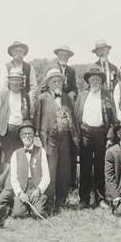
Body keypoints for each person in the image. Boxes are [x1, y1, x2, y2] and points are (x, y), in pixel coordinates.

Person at [33, 69, 80, 211]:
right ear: (48, 84)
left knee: (64, 170)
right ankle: (48, 202)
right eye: (54, 81)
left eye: (59, 81)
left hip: (66, 139)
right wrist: (38, 139)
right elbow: (36, 120)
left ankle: (61, 200)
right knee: (50, 171)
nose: (57, 83)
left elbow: (75, 120)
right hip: (49, 140)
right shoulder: (42, 99)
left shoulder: (68, 98)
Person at [75, 66, 117, 209]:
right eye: (92, 79)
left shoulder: (107, 95)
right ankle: (84, 199)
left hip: (101, 134)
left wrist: (110, 137)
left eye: (97, 79)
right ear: (88, 81)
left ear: (101, 81)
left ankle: (100, 199)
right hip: (85, 133)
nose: (94, 82)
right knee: (85, 168)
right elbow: (76, 118)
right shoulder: (81, 96)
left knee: (100, 167)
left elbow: (113, 120)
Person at [0, 123, 50, 219]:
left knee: (38, 214)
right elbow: (13, 178)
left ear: (34, 135)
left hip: (36, 188)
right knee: (18, 214)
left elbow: (46, 176)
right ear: (20, 136)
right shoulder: (16, 153)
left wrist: (38, 190)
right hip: (23, 189)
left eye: (30, 134)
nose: (27, 136)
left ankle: (36, 207)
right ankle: (26, 207)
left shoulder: (41, 151)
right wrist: (20, 193)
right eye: (24, 134)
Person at [0, 68, 31, 161]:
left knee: (21, 157)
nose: (15, 83)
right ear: (9, 81)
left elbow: (31, 114)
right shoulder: (2, 95)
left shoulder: (26, 96)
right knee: (6, 158)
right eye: (13, 80)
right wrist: (0, 130)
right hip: (6, 132)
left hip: (21, 132)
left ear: (22, 81)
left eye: (18, 80)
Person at [0, 41, 38, 106]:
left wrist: (27, 98)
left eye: (21, 51)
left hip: (26, 100)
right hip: (11, 100)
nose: (18, 53)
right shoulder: (6, 67)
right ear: (12, 53)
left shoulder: (29, 67)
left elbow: (34, 87)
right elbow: (3, 87)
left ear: (24, 53)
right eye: (16, 51)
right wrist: (12, 99)